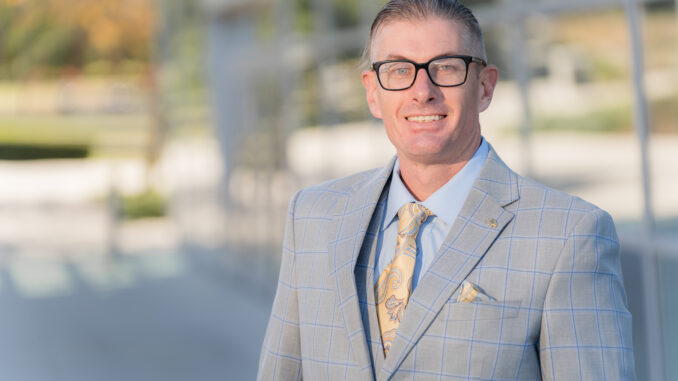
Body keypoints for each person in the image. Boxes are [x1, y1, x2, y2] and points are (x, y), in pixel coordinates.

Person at [258, 1, 635, 379]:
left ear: (485, 87)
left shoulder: (569, 235)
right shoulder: (312, 216)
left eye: (446, 68)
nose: (422, 91)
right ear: (373, 93)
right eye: (399, 69)